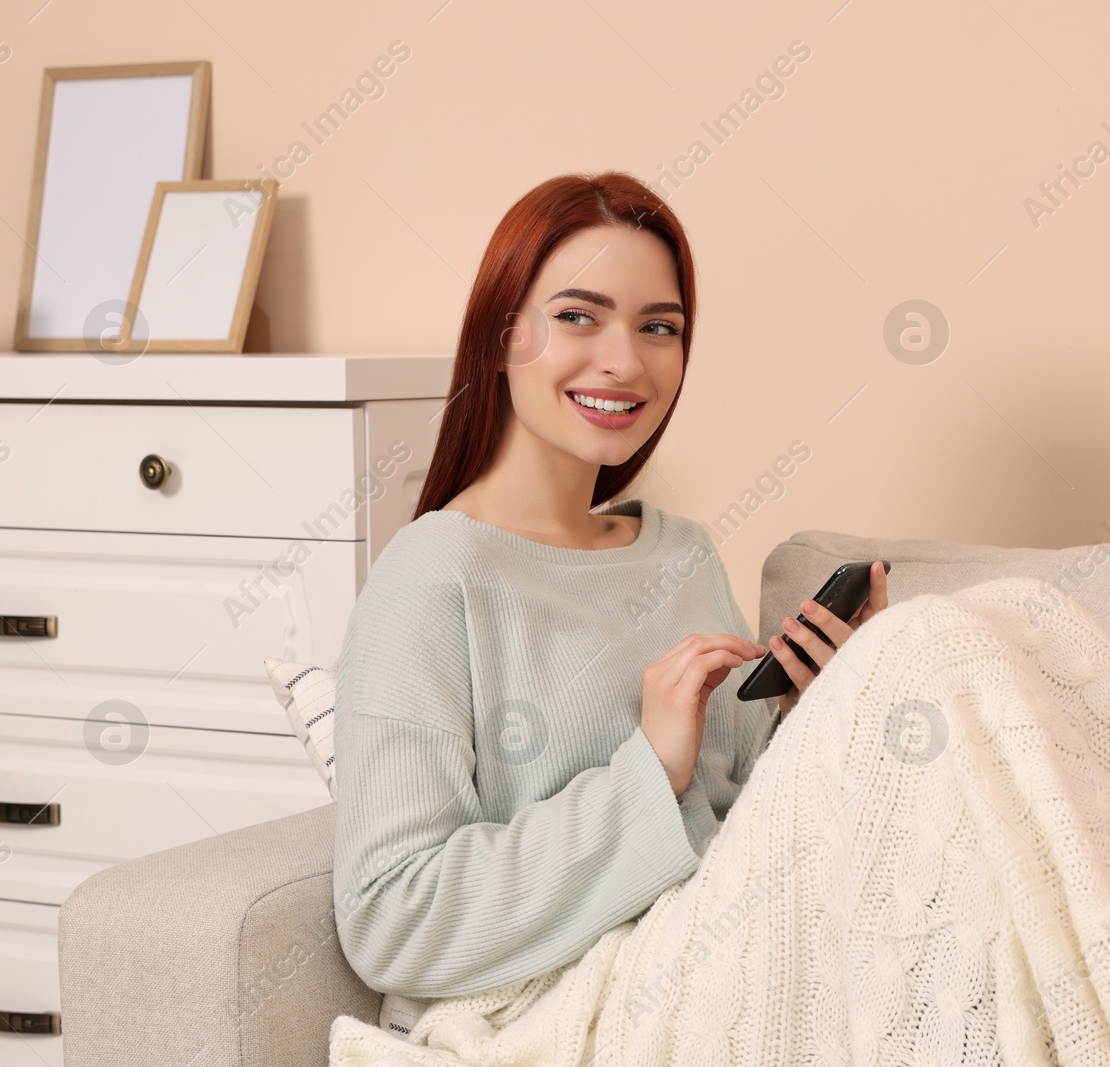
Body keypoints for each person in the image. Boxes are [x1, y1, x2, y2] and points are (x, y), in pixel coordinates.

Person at [331, 171, 889, 1001]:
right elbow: (392, 920)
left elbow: (745, 825)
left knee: (936, 652)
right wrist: (648, 773)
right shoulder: (431, 578)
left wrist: (813, 710)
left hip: (754, 959)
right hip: (593, 1006)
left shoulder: (683, 554)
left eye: (658, 326)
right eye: (578, 316)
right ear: (499, 334)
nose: (625, 361)